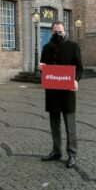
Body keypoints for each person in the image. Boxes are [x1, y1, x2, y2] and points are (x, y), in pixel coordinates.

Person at [39, 20, 83, 168]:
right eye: (55, 31)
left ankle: (72, 154)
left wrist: (76, 80)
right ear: (51, 32)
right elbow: (43, 67)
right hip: (52, 93)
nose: (57, 33)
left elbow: (79, 68)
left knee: (70, 125)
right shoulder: (46, 48)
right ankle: (56, 151)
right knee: (54, 124)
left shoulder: (73, 46)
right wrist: (41, 68)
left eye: (60, 31)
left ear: (65, 32)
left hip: (67, 93)